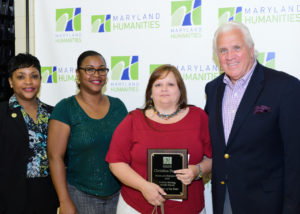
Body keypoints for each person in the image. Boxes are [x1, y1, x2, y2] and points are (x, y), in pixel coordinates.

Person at [205, 21, 300, 214]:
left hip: (268, 204)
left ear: (251, 49)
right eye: (223, 50)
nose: (230, 56)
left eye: (236, 48)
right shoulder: (213, 89)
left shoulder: (285, 87)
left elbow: (295, 158)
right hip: (224, 201)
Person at [106, 64, 212, 214]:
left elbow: (214, 158)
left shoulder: (199, 117)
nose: (164, 88)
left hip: (189, 208)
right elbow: (116, 162)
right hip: (137, 207)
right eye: (158, 84)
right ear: (150, 92)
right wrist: (144, 186)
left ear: (180, 90)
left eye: (170, 84)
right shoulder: (133, 119)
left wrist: (198, 170)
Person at [47, 50, 128, 214]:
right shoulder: (66, 108)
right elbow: (55, 157)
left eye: (101, 69)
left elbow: (128, 149)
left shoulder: (118, 106)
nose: (96, 74)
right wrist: (64, 201)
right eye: (89, 69)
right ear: (78, 73)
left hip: (118, 195)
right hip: (80, 195)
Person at [0, 53, 59, 214]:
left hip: (47, 195)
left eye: (34, 76)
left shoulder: (53, 114)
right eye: (21, 77)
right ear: (11, 82)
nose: (28, 82)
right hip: (10, 198)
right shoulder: (2, 113)